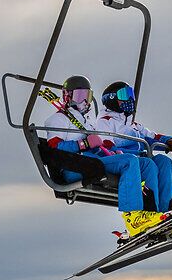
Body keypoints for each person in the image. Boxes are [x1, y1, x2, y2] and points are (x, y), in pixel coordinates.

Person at [40, 75, 163, 235]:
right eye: (79, 96)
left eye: (87, 96)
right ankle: (132, 216)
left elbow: (97, 146)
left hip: (94, 161)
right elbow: (55, 151)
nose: (84, 101)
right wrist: (84, 144)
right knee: (129, 161)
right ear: (68, 96)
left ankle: (150, 212)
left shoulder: (87, 122)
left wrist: (111, 152)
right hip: (76, 167)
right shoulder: (58, 119)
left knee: (146, 164)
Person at [95, 80, 172, 219]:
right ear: (111, 99)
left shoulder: (133, 125)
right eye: (124, 94)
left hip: (145, 161)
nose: (130, 99)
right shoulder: (105, 121)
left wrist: (168, 141)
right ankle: (153, 213)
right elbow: (107, 146)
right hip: (132, 164)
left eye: (131, 94)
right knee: (152, 164)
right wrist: (138, 155)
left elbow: (152, 136)